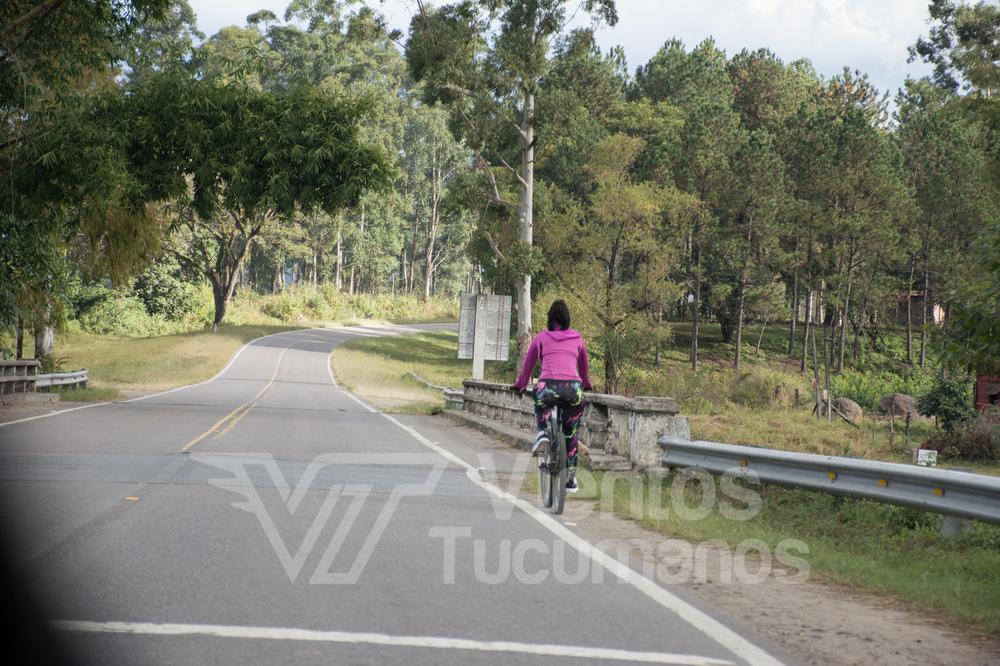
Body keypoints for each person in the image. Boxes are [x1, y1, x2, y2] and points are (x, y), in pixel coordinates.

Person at [511, 300, 592, 493]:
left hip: (547, 387)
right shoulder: (578, 339)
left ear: (549, 319)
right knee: (571, 432)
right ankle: (571, 479)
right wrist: (586, 384)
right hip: (573, 389)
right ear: (567, 319)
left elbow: (528, 366)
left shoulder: (539, 338)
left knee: (541, 403)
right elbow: (584, 368)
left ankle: (542, 434)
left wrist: (520, 385)